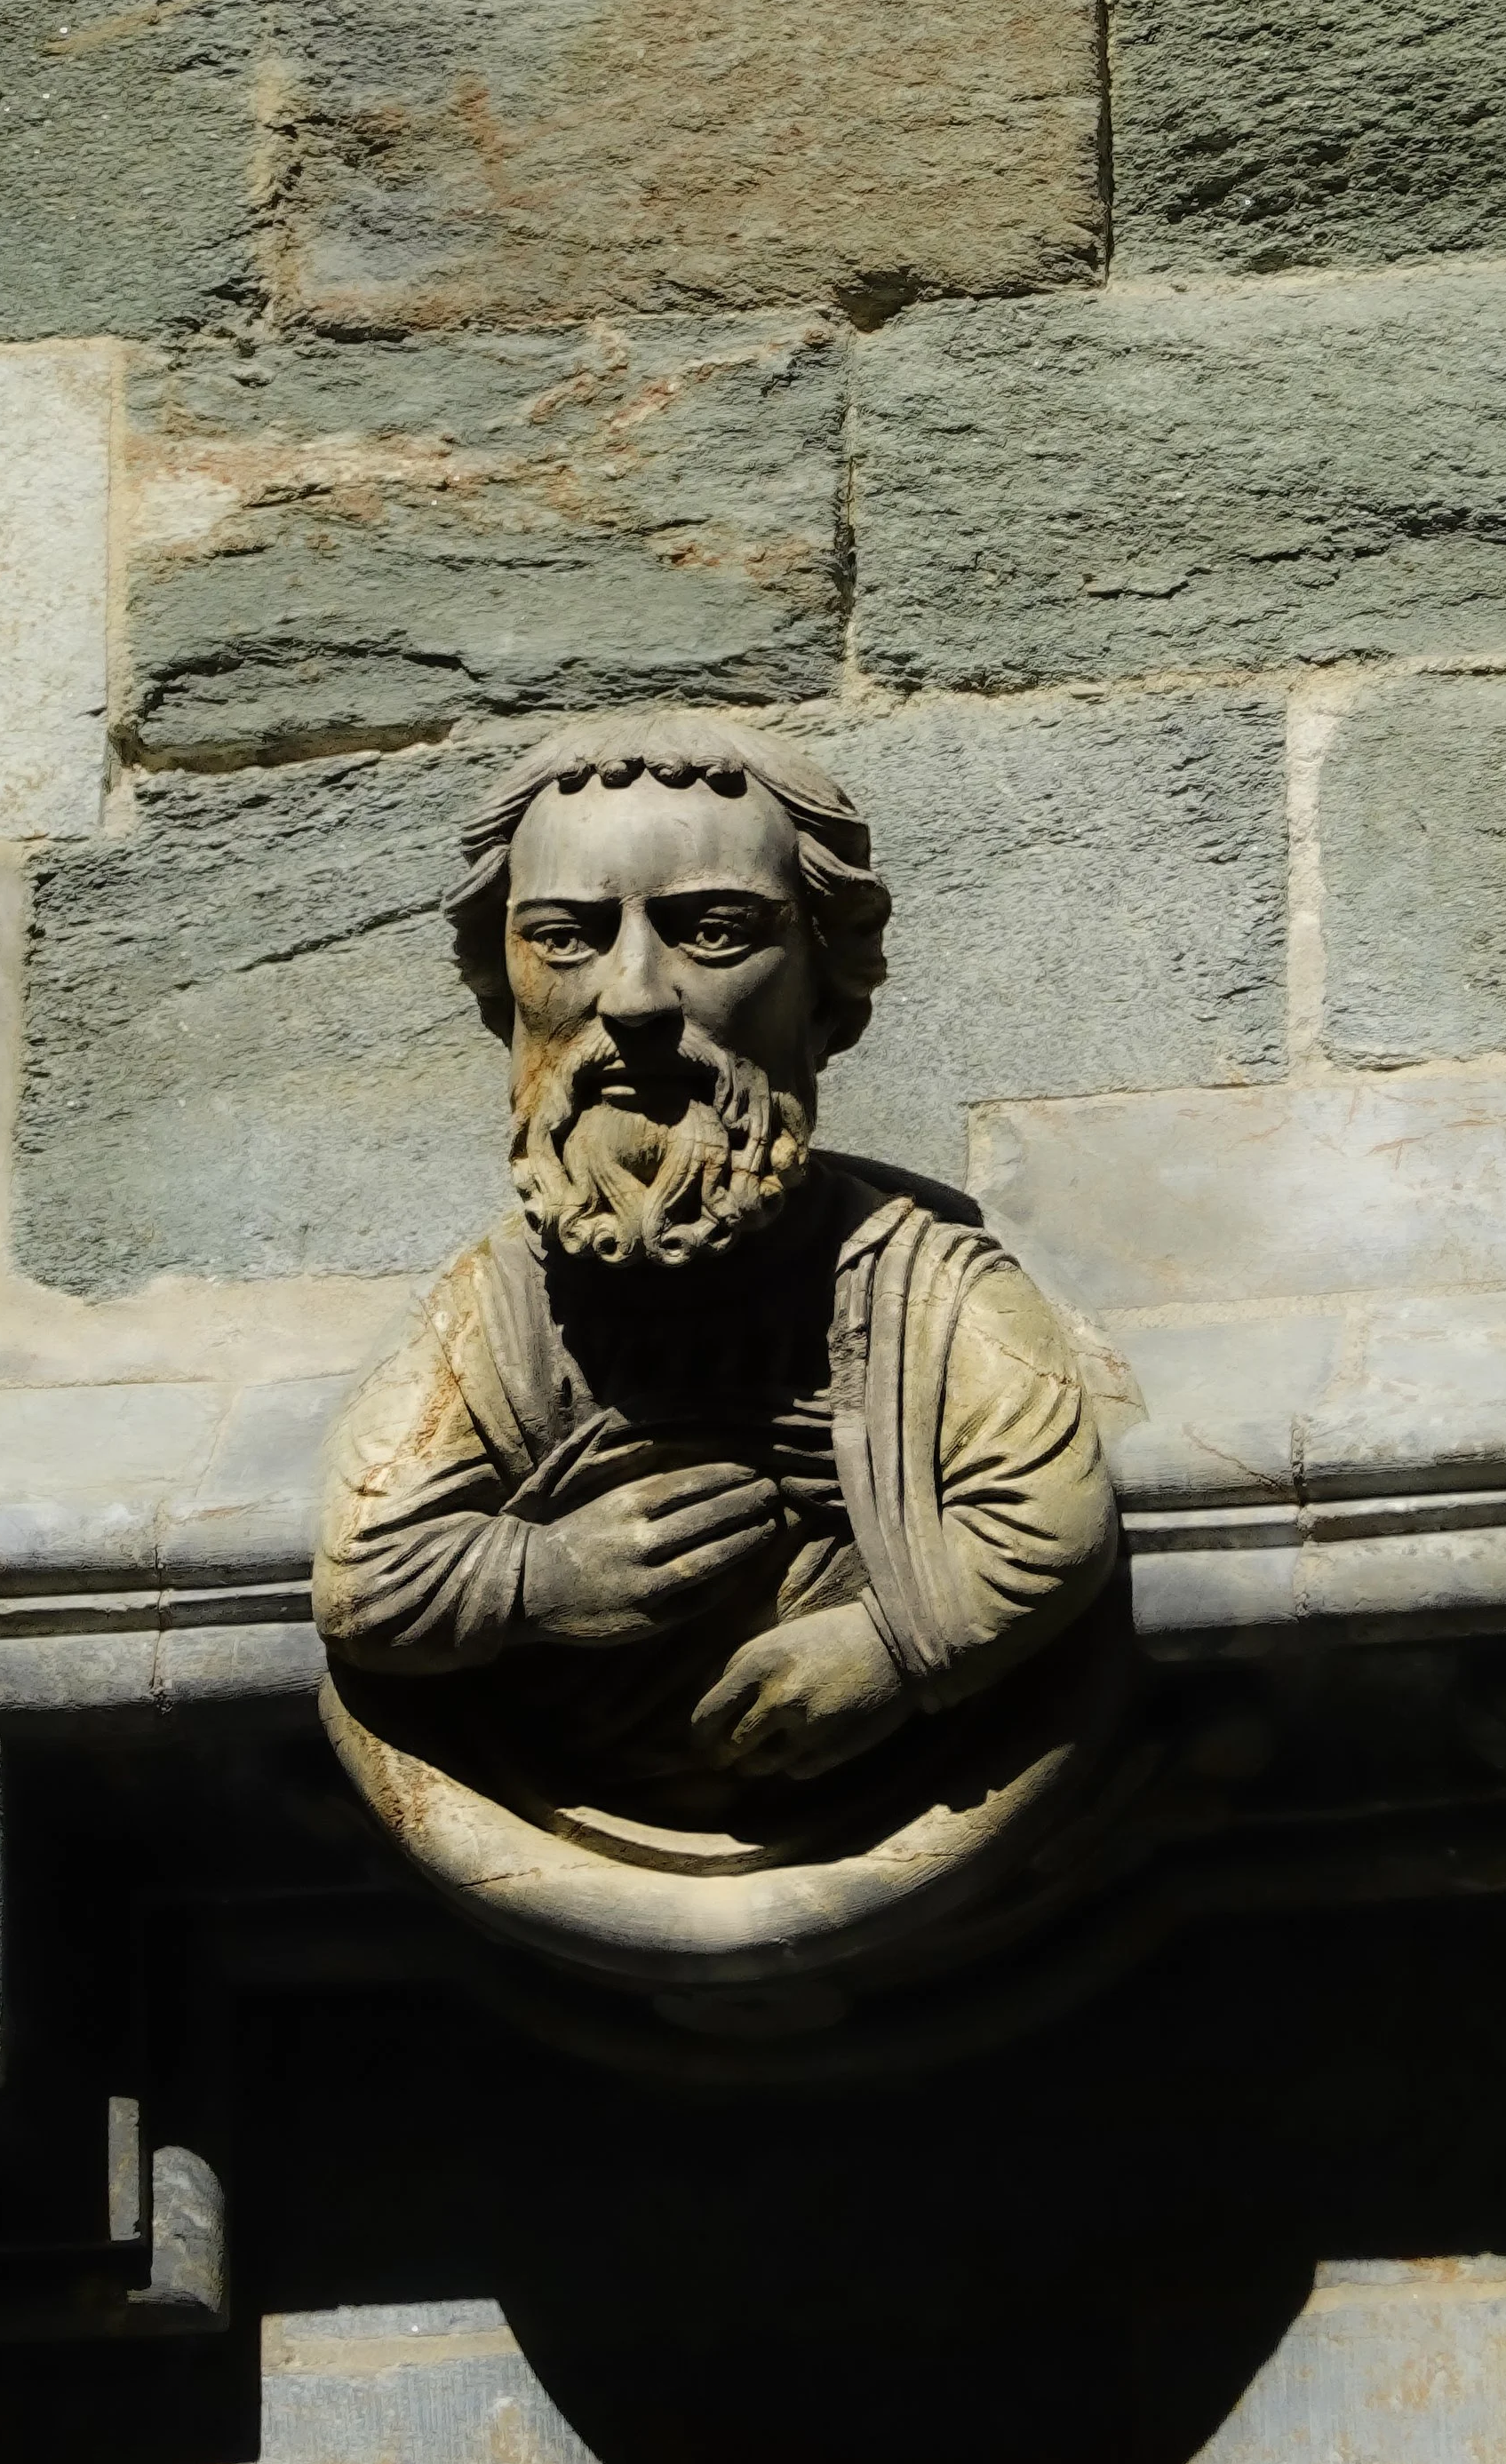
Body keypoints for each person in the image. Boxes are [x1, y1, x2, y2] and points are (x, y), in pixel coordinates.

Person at [313, 711, 1116, 1821]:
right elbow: (365, 1576)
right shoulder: (494, 1308)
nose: (634, 997)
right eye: (563, 939)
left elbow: (1047, 1522)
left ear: (825, 978)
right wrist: (547, 1579)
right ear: (502, 982)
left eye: (715, 933)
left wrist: (891, 1642)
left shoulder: (922, 1284)